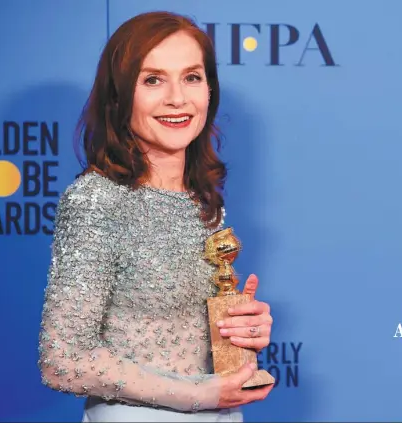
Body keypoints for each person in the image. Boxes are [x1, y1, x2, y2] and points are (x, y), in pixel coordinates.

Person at [37, 11, 274, 422]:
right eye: (152, 80)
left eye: (192, 77)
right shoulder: (97, 200)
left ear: (210, 91)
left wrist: (242, 332)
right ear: (118, 97)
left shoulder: (204, 200)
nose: (177, 98)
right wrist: (196, 394)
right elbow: (63, 359)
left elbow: (177, 334)